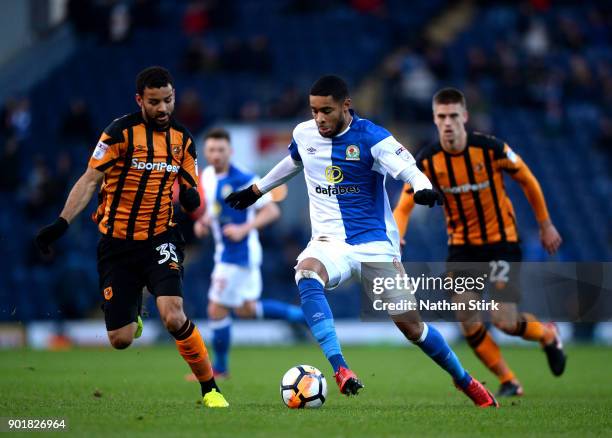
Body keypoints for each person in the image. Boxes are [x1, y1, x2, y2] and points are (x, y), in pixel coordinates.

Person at [225, 75, 498, 407]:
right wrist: (257, 191)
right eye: (314, 111)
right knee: (306, 272)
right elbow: (296, 161)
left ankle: (464, 380)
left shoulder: (373, 138)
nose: (319, 118)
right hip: (328, 242)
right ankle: (340, 369)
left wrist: (423, 187)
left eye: (326, 110)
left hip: (373, 246)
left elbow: (409, 168)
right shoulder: (304, 133)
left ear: (346, 105)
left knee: (413, 329)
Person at [35, 66, 228, 408]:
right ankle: (131, 311)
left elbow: (189, 183)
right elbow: (89, 181)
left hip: (160, 238)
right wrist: (61, 223)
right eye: (154, 102)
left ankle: (210, 388)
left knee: (173, 314)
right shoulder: (118, 134)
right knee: (121, 340)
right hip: (117, 245)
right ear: (140, 100)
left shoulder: (182, 139)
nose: (163, 109)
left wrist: (191, 197)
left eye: (168, 100)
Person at [393, 87, 566, 397]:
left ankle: (548, 335)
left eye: (453, 116)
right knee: (469, 321)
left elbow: (527, 179)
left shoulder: (490, 148)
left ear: (465, 117)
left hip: (502, 243)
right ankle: (509, 380)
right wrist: (397, 236)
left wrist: (545, 224)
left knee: (504, 321)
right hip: (463, 249)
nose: (447, 123)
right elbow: (405, 204)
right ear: (434, 119)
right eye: (441, 117)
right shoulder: (429, 160)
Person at [190, 127, 305, 378]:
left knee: (215, 309)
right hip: (227, 252)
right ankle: (302, 315)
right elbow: (218, 209)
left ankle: (219, 368)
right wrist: (204, 222)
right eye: (211, 150)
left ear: (230, 151)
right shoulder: (208, 176)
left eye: (221, 150)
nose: (216, 154)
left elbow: (272, 211)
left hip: (239, 253)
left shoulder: (244, 178)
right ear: (206, 153)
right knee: (245, 309)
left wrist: (244, 228)